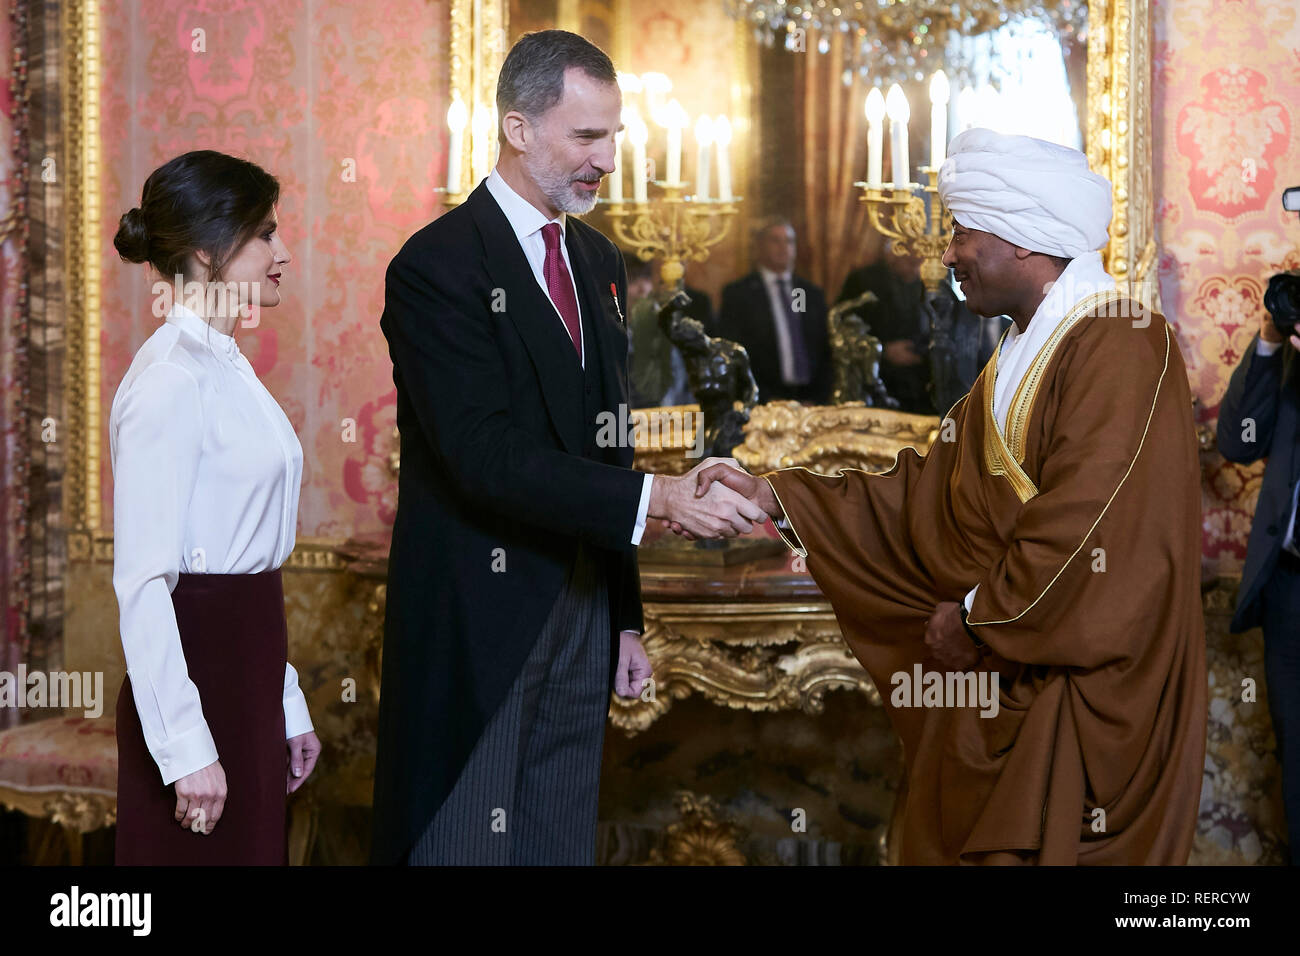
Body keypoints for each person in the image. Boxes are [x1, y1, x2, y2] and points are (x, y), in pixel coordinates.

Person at [682, 128, 1207, 864]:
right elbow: (928, 491)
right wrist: (777, 495)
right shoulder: (1021, 347)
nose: (948, 252)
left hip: (1073, 702)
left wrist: (975, 619)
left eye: (963, 231)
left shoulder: (1121, 341)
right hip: (1000, 681)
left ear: (1025, 240)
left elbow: (1088, 531)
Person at [372, 30, 765, 866]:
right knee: (465, 847)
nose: (608, 159)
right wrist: (661, 500)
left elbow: (606, 444)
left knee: (556, 846)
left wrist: (624, 618)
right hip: (478, 618)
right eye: (587, 137)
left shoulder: (598, 259)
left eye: (613, 136)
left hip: (586, 612)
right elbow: (481, 455)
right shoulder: (435, 265)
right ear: (518, 128)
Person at [109, 150, 320, 865]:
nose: (282, 252)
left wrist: (285, 705)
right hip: (195, 684)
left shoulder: (228, 366)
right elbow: (144, 584)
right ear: (205, 249)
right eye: (265, 233)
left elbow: (252, 567)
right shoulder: (168, 380)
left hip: (248, 668)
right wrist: (184, 749)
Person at [1216, 300, 1300, 865]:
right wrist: (1270, 340)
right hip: (1291, 591)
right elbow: (1240, 440)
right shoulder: (1292, 356)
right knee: (1297, 761)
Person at [715, 218, 832, 404]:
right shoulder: (739, 294)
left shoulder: (806, 292)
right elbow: (734, 353)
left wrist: (818, 397)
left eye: (789, 241)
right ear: (760, 246)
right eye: (775, 240)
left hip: (809, 399)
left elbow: (821, 347)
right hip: (764, 399)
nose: (783, 247)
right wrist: (764, 398)